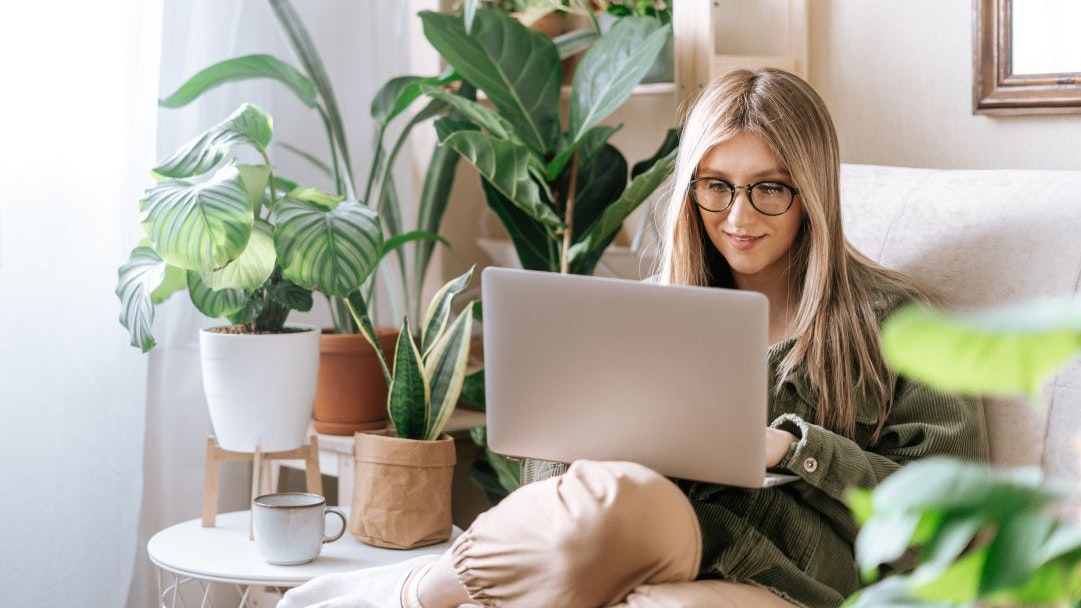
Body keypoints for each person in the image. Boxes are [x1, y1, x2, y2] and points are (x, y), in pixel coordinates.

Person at [278, 68, 989, 608]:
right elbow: (550, 487)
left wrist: (792, 449)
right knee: (613, 499)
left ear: (813, 193)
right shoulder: (649, 315)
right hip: (642, 532)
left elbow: (956, 518)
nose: (737, 216)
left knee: (619, 524)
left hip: (790, 568)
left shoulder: (899, 325)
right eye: (715, 186)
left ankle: (412, 595)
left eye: (769, 188)